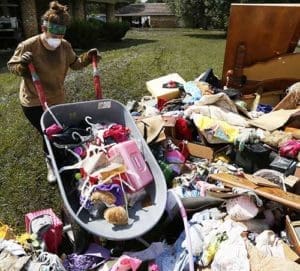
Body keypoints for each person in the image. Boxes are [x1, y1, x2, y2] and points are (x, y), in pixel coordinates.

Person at [7, 1, 100, 183]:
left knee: (58, 130)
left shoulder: (64, 46)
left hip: (56, 98)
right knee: (49, 132)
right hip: (33, 100)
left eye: (60, 35)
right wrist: (23, 65)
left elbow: (75, 64)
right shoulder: (29, 45)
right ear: (44, 28)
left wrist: (88, 58)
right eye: (53, 34)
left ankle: (61, 153)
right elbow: (13, 67)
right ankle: (51, 162)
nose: (56, 39)